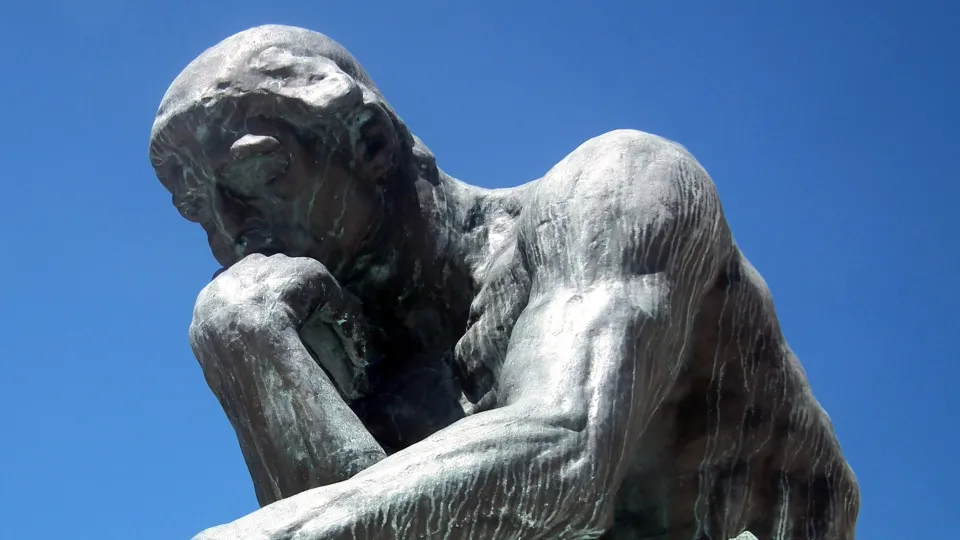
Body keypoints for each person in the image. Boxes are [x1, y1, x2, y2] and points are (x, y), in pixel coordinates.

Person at [149, 25, 859, 540]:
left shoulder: (617, 190)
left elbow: (569, 450)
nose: (229, 227)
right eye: (195, 206)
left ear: (369, 142)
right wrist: (245, 344)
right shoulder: (365, 367)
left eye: (257, 171)